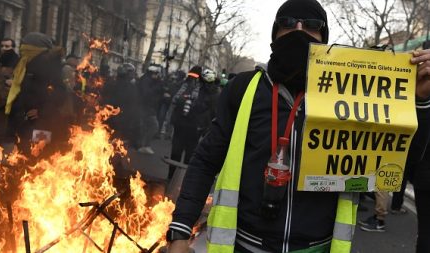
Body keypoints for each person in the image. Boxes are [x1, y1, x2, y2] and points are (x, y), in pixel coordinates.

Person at [165, 0, 430, 252]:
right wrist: (180, 231)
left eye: (312, 24)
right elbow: (204, 161)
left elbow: (400, 165)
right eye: (288, 22)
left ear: (323, 38)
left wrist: (419, 100)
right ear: (275, 33)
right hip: (244, 245)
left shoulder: (352, 95)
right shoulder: (243, 88)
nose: (299, 30)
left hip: (317, 248)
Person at [6, 32, 67, 157]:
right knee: (22, 157)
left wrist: (42, 111)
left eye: (26, 47)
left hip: (41, 123)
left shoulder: (49, 66)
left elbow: (60, 93)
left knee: (37, 157)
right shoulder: (24, 63)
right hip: (23, 121)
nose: (23, 50)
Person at [167, 66, 214, 180]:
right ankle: (171, 179)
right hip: (182, 126)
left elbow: (207, 109)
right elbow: (174, 101)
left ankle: (180, 182)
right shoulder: (184, 86)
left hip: (194, 128)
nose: (192, 79)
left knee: (188, 156)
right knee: (177, 154)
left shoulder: (206, 91)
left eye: (195, 77)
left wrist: (202, 126)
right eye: (191, 77)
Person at [137, 65, 164, 154]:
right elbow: (146, 94)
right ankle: (145, 145)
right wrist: (158, 88)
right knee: (154, 126)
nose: (157, 76)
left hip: (147, 108)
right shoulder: (146, 81)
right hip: (146, 108)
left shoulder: (148, 80)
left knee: (146, 127)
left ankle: (143, 145)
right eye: (156, 74)